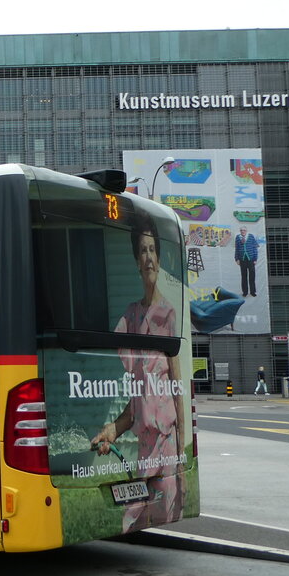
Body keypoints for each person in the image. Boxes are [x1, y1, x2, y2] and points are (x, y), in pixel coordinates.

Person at [91, 214, 186, 533]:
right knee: (131, 517)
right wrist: (112, 431)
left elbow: (176, 387)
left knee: (159, 514)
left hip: (167, 441)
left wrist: (183, 459)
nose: (148, 257)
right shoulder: (129, 318)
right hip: (145, 446)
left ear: (158, 258)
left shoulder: (169, 313)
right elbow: (138, 398)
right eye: (142, 251)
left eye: (152, 250)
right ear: (136, 260)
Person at [235, 225, 259, 297]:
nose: (243, 231)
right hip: (242, 259)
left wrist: (255, 259)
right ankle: (245, 292)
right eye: (241, 230)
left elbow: (255, 248)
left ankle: (252, 292)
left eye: (244, 230)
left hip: (250, 259)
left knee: (252, 276)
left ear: (246, 231)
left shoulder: (251, 236)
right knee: (244, 276)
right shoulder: (238, 237)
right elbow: (237, 249)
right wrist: (237, 259)